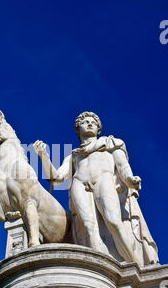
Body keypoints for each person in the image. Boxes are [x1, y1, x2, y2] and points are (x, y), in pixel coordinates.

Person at [33, 111, 158, 266]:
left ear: (99, 129)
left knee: (113, 221)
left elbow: (122, 166)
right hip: (80, 184)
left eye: (93, 122)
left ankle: (137, 264)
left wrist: (130, 179)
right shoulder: (74, 156)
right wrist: (43, 155)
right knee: (88, 227)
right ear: (78, 129)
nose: (90, 123)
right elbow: (56, 178)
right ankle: (101, 266)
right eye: (85, 122)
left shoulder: (110, 143)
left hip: (103, 179)